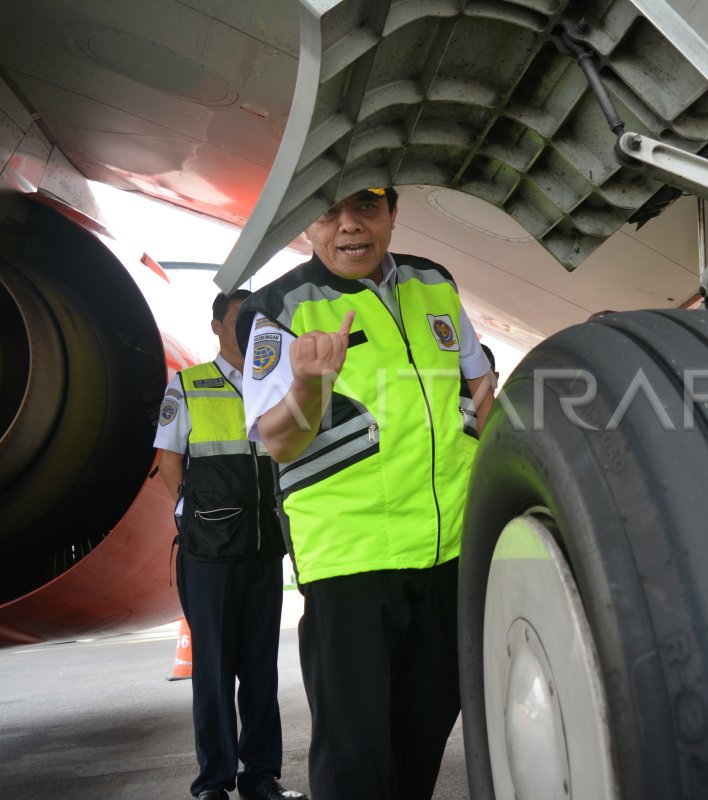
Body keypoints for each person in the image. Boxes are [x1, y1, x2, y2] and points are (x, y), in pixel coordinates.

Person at [236, 186, 496, 799]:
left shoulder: (434, 283)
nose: (349, 226)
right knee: (355, 753)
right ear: (307, 225)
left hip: (446, 552)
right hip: (352, 561)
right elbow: (278, 442)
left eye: (367, 208)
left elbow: (480, 388)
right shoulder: (277, 309)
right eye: (329, 211)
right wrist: (309, 386)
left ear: (393, 214)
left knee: (423, 732)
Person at [155, 291, 306, 800]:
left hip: (264, 550)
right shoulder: (190, 386)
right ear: (218, 326)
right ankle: (213, 781)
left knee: (261, 671)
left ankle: (260, 776)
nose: (246, 329)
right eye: (239, 320)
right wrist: (190, 515)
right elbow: (169, 460)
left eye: (256, 321)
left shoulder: (278, 386)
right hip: (210, 554)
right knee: (214, 672)